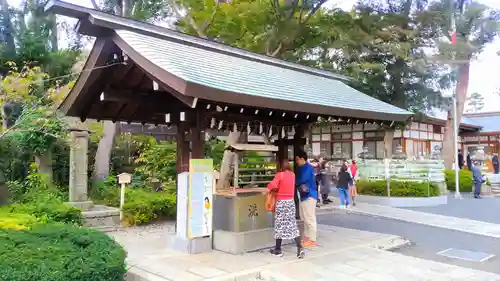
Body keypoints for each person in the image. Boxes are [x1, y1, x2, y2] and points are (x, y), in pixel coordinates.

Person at [268, 160, 305, 258]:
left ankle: (278, 249)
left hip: (281, 203)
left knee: (279, 225)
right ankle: (299, 247)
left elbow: (272, 186)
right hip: (290, 202)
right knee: (291, 224)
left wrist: (270, 187)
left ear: (281, 167)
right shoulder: (292, 175)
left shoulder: (279, 175)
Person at [295, 150, 318, 247]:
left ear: (302, 158)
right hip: (304, 196)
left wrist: (292, 180)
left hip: (309, 196)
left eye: (297, 159)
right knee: (304, 217)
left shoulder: (308, 168)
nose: (296, 161)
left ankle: (312, 239)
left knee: (309, 218)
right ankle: (307, 237)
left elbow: (301, 180)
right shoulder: (303, 168)